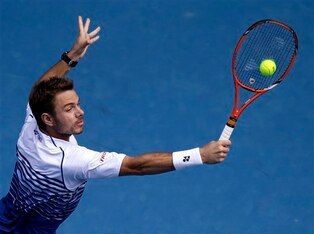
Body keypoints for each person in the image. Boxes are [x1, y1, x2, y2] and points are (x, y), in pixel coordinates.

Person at [0, 16, 231, 233]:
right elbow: (137, 166)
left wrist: (72, 56)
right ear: (48, 119)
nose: (80, 113)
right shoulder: (73, 161)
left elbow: (40, 86)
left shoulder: (33, 120)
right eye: (69, 109)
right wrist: (200, 155)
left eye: (77, 104)